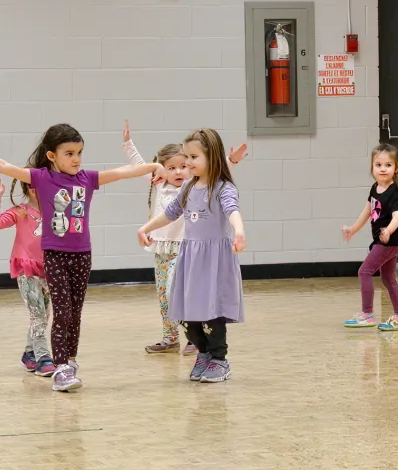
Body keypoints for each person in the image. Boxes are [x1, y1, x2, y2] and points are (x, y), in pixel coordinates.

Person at [0, 123, 167, 393]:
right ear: (52, 155)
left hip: (82, 256)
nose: (76, 159)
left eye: (79, 152)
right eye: (69, 153)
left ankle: (71, 361)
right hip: (54, 255)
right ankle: (61, 368)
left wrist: (153, 167)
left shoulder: (86, 179)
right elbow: (7, 167)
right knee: (62, 311)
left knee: (75, 314)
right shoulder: (41, 177)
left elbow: (122, 172)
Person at [122, 120, 247, 355]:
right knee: (173, 305)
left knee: (193, 302)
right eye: (175, 165)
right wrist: (144, 228)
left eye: (188, 161)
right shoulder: (171, 186)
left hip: (198, 255)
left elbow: (230, 204)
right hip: (173, 253)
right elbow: (167, 210)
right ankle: (178, 341)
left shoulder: (208, 187)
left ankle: (209, 349)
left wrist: (239, 232)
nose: (183, 168)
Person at [342, 143, 398, 332]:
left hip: (389, 241)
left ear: (395, 168)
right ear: (372, 168)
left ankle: (367, 314)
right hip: (385, 241)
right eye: (378, 165)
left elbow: (397, 217)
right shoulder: (374, 188)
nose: (383, 169)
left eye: (388, 165)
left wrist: (388, 230)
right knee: (388, 278)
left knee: (364, 271)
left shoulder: (395, 194)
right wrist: (353, 229)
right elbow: (368, 211)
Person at [0, 178, 55, 377]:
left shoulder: (53, 212)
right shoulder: (20, 211)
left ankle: (29, 353)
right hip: (26, 269)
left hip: (47, 269)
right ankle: (43, 357)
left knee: (44, 314)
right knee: (38, 314)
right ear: (32, 190)